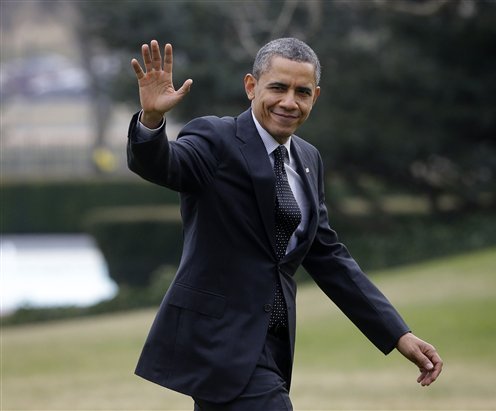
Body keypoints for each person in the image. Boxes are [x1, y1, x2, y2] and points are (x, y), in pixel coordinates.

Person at [127, 38, 442, 410]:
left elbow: (329, 258)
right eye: (278, 87)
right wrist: (151, 121)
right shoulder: (216, 138)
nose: (289, 102)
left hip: (273, 345)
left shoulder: (308, 158)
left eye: (302, 92)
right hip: (219, 342)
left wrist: (398, 334)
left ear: (315, 97)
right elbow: (164, 164)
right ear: (251, 86)